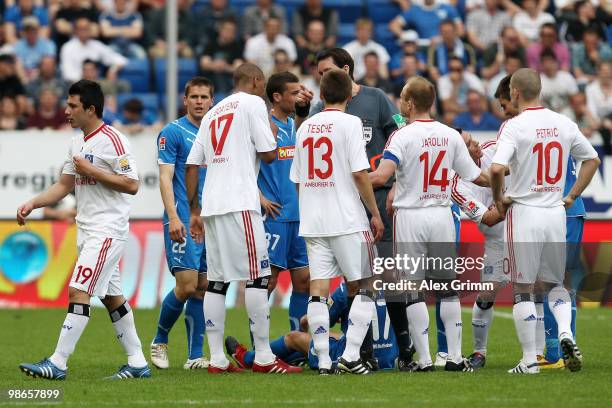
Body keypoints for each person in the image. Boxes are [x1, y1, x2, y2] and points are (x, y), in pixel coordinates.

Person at [16, 79, 151, 380]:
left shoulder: (114, 140)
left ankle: (58, 363)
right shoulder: (76, 142)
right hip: (87, 229)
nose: (66, 111)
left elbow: (132, 184)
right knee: (111, 297)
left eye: (73, 106)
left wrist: (92, 171)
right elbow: (64, 186)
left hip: (107, 230)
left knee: (79, 290)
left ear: (91, 109)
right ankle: (138, 363)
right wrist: (33, 203)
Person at [185, 63, 299, 374]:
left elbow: (192, 165)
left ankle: (217, 360)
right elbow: (269, 153)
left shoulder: (212, 113)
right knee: (259, 278)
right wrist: (273, 134)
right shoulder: (253, 104)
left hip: (212, 206)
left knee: (217, 283)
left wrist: (194, 210)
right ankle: (263, 357)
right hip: (240, 202)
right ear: (257, 81)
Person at [369, 76, 489, 372]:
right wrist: (502, 189)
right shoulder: (450, 135)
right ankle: (456, 357)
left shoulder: (402, 136)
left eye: (402, 99)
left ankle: (423, 360)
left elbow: (382, 177)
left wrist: (349, 177)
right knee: (448, 289)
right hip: (441, 214)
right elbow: (477, 176)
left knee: (412, 289)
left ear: (410, 103)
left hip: (410, 215)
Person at [490, 68, 600, 373]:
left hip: (525, 212)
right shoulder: (563, 123)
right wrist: (570, 196)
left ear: (514, 92)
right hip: (555, 211)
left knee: (523, 288)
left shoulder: (514, 126)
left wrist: (499, 200)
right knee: (557, 284)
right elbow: (592, 159)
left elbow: (497, 169)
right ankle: (565, 334)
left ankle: (530, 361)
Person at [311, 48, 414, 370]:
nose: (321, 79)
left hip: (379, 199)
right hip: (345, 206)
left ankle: (406, 347)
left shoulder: (376, 98)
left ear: (344, 69)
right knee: (355, 283)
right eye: (318, 74)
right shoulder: (320, 107)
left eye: (326, 72)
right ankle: (362, 353)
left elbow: (401, 133)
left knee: (388, 276)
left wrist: (397, 180)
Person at [290, 69, 383, 375]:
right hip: (346, 217)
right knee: (368, 283)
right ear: (349, 95)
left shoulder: (304, 128)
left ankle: (325, 361)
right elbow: (359, 173)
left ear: (322, 94)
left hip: (314, 220)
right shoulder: (351, 123)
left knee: (318, 289)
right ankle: (352, 355)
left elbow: (298, 180)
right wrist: (374, 212)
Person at [150, 77, 213, 371]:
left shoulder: (215, 134)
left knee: (202, 286)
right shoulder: (172, 132)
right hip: (182, 219)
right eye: (194, 97)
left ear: (211, 101)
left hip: (209, 221)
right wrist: (174, 217)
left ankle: (194, 356)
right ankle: (160, 339)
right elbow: (164, 178)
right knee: (186, 286)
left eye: (204, 97)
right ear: (185, 100)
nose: (199, 101)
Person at [225, 283, 400, 371]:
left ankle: (247, 358)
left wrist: (306, 319)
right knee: (336, 335)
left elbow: (322, 319)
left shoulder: (348, 287)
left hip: (352, 357)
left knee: (294, 337)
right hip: (390, 357)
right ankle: (296, 357)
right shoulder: (396, 285)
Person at [258, 72, 313, 331]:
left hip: (299, 216)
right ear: (277, 97)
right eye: (293, 93)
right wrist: (259, 197)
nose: (298, 97)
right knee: (267, 281)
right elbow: (244, 167)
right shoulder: (263, 127)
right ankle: (260, 348)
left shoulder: (292, 125)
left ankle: (296, 342)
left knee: (303, 281)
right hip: (274, 217)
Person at [60, 17, 128, 83]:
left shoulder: (96, 45)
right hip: (75, 85)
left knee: (122, 84)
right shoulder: (67, 47)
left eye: (86, 29)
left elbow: (120, 60)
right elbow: (67, 74)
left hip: (95, 85)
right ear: (75, 30)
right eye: (81, 29)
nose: (84, 32)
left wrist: (113, 70)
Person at [539, 49, 578, 113]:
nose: (548, 65)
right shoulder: (538, 81)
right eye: (545, 62)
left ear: (556, 62)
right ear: (541, 64)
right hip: (546, 115)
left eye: (550, 62)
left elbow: (575, 98)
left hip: (567, 114)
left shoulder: (567, 77)